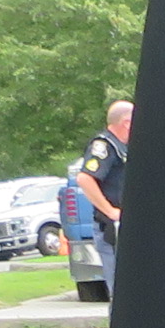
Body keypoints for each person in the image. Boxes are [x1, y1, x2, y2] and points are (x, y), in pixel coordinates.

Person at [69, 101, 131, 294]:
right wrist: (111, 211)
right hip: (111, 230)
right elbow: (85, 178)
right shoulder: (105, 145)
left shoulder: (124, 147)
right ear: (127, 122)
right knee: (121, 289)